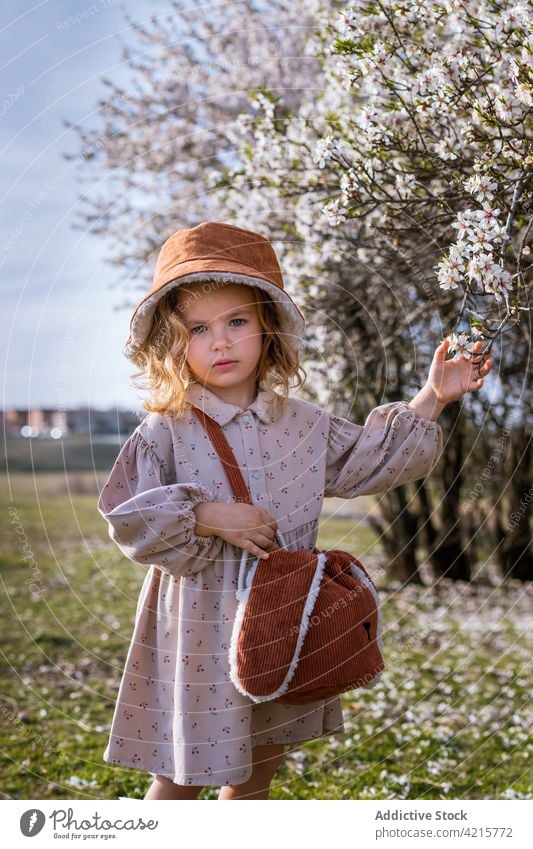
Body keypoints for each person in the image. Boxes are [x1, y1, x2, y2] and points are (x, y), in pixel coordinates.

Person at [97, 220, 493, 800]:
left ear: (267, 328)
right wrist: (208, 514)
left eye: (237, 322)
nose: (221, 342)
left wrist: (433, 396)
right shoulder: (167, 431)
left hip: (284, 617)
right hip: (199, 624)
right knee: (180, 778)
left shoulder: (304, 425)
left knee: (260, 766)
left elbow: (370, 461)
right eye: (199, 329)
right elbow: (128, 515)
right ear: (172, 342)